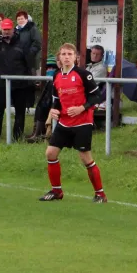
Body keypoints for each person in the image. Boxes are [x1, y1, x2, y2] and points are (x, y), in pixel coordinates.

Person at [39, 43, 107, 203]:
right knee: (50, 153)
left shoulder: (84, 74)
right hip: (64, 122)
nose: (67, 57)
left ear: (75, 57)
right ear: (59, 58)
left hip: (82, 122)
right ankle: (57, 191)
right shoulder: (56, 75)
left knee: (85, 158)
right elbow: (56, 100)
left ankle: (100, 194)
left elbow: (97, 96)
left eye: (70, 54)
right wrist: (54, 110)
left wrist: (81, 108)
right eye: (63, 54)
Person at [0, 18, 30, 141]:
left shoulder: (22, 42)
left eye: (8, 29)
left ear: (13, 29)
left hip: (20, 83)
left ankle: (17, 138)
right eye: (4, 29)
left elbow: (29, 61)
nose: (6, 32)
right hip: (3, 83)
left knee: (20, 112)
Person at [26, 55, 58, 143]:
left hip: (59, 103)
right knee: (40, 105)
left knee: (43, 106)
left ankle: (38, 133)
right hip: (50, 101)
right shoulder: (51, 78)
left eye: (52, 68)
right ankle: (36, 133)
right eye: (48, 68)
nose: (49, 70)